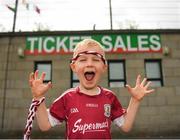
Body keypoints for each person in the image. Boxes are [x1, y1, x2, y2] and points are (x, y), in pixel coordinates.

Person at [28, 39, 154, 139]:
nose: (89, 64)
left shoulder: (109, 97)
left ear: (104, 67)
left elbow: (126, 126)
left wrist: (135, 100)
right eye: (83, 60)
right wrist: (38, 97)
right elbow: (45, 125)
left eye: (95, 59)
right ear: (73, 66)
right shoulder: (67, 97)